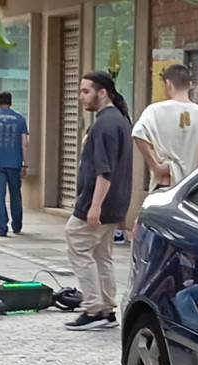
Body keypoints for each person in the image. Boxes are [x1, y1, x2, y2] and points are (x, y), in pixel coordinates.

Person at [65, 71, 133, 331]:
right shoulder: (120, 120)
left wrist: (94, 206)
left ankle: (94, 307)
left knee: (77, 242)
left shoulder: (106, 123)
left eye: (86, 91)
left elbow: (104, 170)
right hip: (114, 202)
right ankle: (106, 307)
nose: (81, 96)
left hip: (99, 201)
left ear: (102, 92)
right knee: (102, 254)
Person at [132, 64, 198, 193]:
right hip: (191, 188)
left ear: (168, 84)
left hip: (165, 182)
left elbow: (138, 133)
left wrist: (154, 165)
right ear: (189, 85)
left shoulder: (155, 111)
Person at [0, 92, 28, 236]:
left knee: (0, 194)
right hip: (15, 162)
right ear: (11, 102)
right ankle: (17, 225)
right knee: (15, 194)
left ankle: (2, 228)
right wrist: (25, 163)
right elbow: (24, 143)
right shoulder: (20, 118)